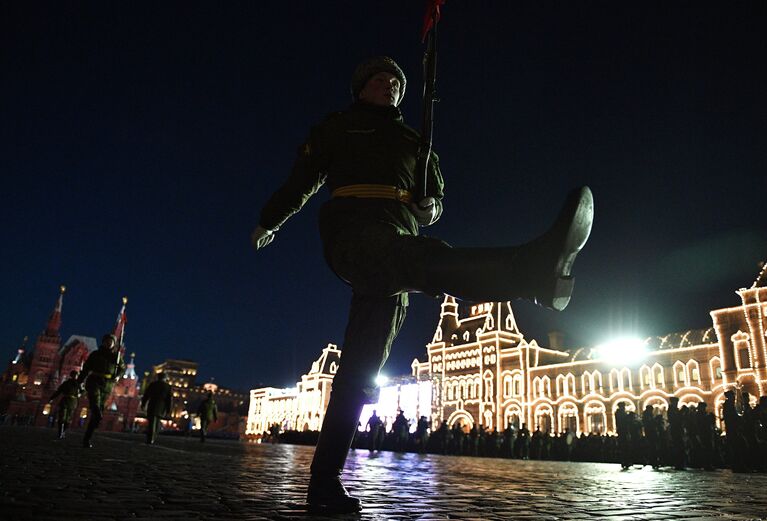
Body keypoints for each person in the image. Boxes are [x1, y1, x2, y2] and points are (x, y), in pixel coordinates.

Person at [251, 56, 594, 514]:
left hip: (399, 244)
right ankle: (530, 270)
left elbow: (433, 200)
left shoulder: (417, 140)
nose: (389, 85)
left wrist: (430, 204)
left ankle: (325, 482)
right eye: (379, 78)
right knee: (421, 257)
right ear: (360, 87)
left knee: (358, 370)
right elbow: (301, 182)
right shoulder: (338, 126)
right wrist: (269, 220)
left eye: (396, 82)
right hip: (354, 235)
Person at [77, 334, 125, 448]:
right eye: (107, 341)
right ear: (103, 342)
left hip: (107, 385)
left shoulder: (116, 356)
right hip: (94, 381)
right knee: (95, 405)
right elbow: (86, 369)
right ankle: (97, 412)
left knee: (96, 414)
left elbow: (122, 369)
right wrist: (78, 382)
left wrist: (117, 376)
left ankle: (87, 439)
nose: (109, 343)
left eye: (111, 341)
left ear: (114, 344)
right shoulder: (95, 354)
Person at [141, 372, 172, 445]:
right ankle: (153, 437)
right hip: (161, 407)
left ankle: (150, 438)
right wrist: (168, 410)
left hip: (152, 404)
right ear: (165, 378)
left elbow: (146, 395)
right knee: (157, 423)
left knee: (152, 423)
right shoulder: (167, 386)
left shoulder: (153, 385)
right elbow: (169, 400)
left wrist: (143, 404)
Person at [48, 370, 80, 439]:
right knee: (62, 418)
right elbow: (59, 391)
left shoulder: (78, 384)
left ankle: (63, 432)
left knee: (68, 419)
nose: (75, 376)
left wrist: (80, 393)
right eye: (74, 375)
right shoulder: (66, 383)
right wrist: (52, 398)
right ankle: (60, 433)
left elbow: (82, 392)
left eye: (76, 375)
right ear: (71, 375)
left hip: (72, 402)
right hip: (65, 401)